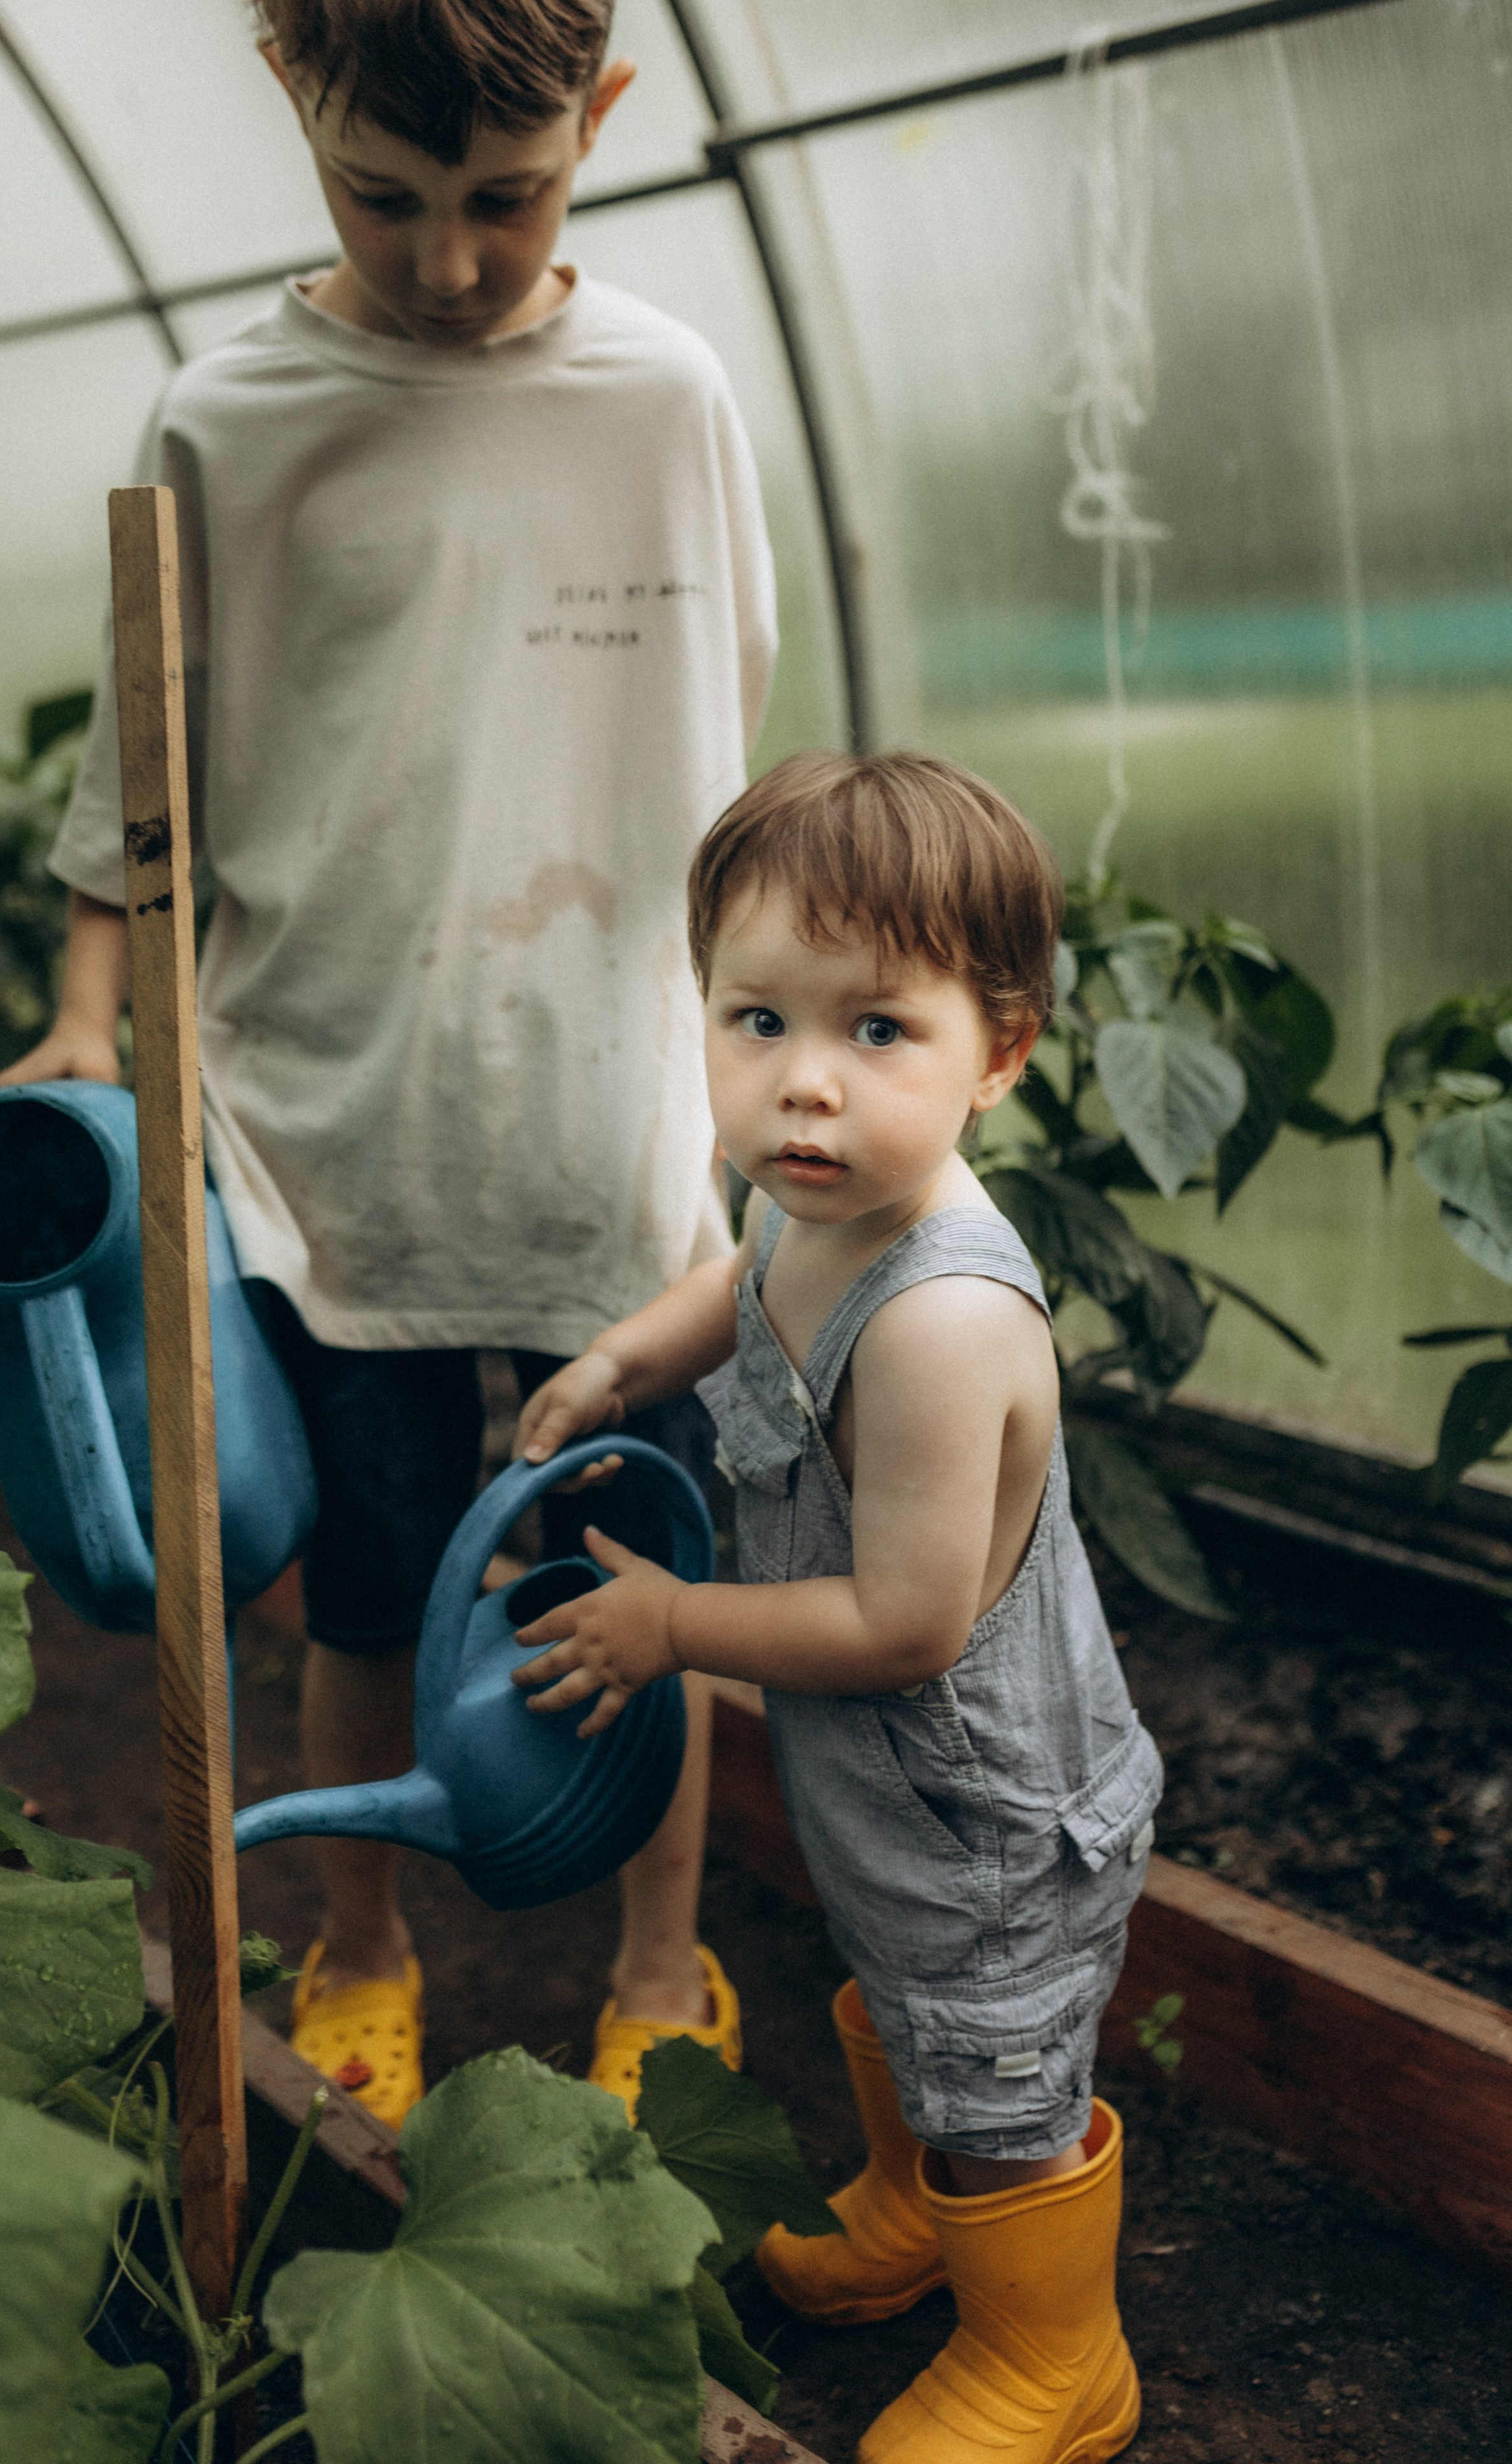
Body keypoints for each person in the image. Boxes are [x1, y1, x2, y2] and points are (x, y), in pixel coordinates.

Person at [2, 0, 775, 2130]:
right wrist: (87, 1013)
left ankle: (659, 1964)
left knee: (640, 1580)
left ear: (603, 116)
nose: (448, 258)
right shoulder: (228, 421)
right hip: (328, 1130)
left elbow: (727, 734)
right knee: (362, 1583)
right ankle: (359, 1948)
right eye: (384, 196)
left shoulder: (669, 397)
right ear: (293, 94)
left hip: (613, 1128)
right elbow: (139, 765)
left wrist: (762, 1047)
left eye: (509, 198)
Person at [510, 750, 1163, 2464]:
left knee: (997, 2055)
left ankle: (1057, 2355)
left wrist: (674, 1627)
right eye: (759, 1020)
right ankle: (911, 2204)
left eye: (879, 1029)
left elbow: (906, 1626)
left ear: (998, 1055)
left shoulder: (944, 1321)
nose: (805, 1082)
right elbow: (742, 1285)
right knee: (905, 1985)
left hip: (988, 1803)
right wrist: (621, 1359)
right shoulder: (812, 1198)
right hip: (890, 1791)